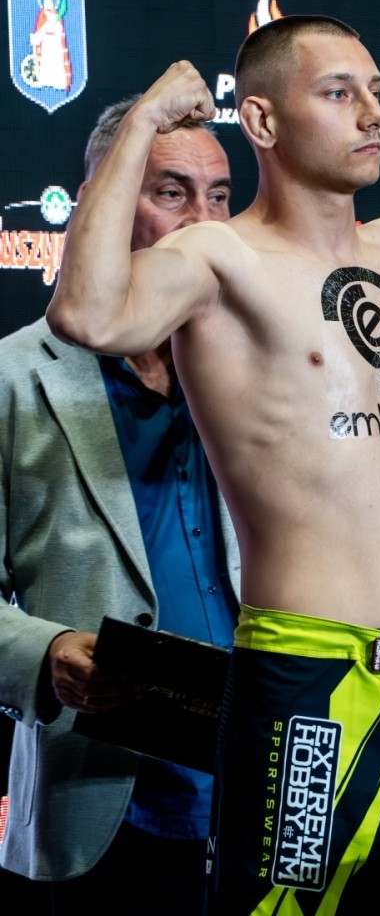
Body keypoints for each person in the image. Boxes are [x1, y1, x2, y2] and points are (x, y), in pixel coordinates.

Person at [46, 15, 380, 915]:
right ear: (261, 121)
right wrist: (142, 123)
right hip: (307, 675)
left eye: (374, 92)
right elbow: (89, 315)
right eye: (338, 94)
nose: (372, 113)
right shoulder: (217, 258)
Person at [0, 98, 240, 915]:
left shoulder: (263, 370)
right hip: (99, 808)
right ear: (100, 203)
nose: (203, 223)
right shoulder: (14, 379)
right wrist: (45, 652)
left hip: (267, 795)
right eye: (172, 193)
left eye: (219, 196)